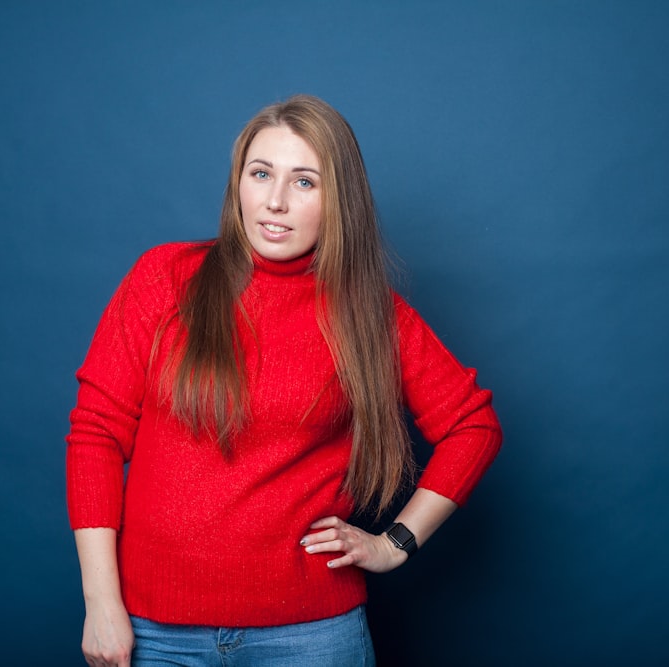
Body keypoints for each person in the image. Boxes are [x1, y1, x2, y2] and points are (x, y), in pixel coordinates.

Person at [66, 94, 502, 667]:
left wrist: (394, 544)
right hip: (155, 633)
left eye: (304, 182)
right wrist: (101, 604)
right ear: (238, 183)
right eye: (261, 173)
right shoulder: (166, 279)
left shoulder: (369, 315)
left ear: (337, 199)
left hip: (311, 638)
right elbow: (96, 435)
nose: (274, 202)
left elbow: (473, 426)